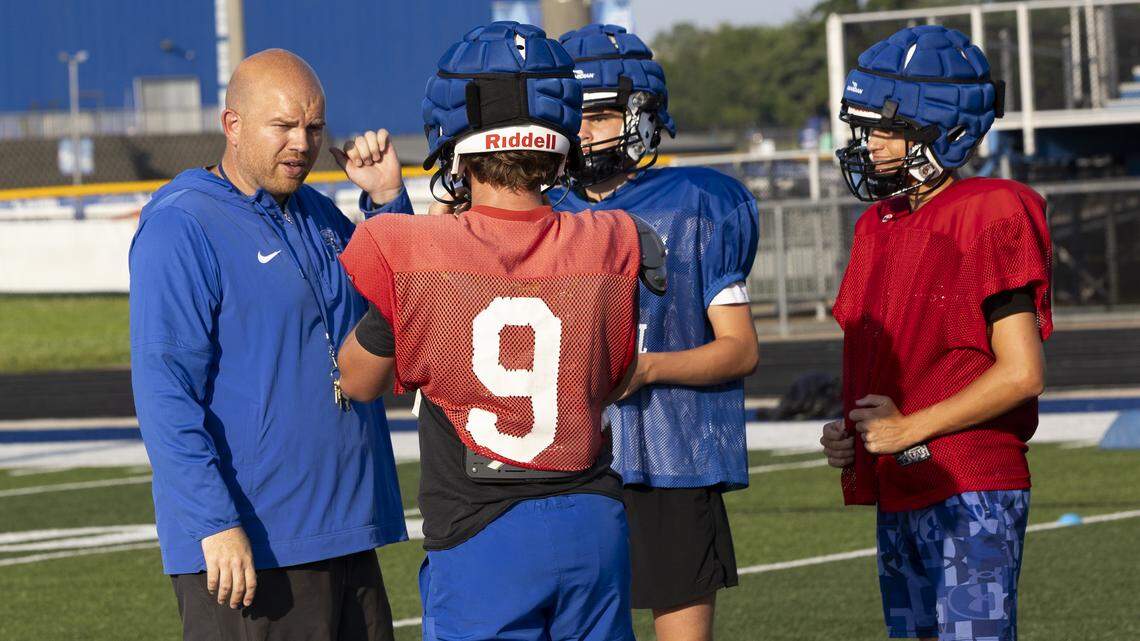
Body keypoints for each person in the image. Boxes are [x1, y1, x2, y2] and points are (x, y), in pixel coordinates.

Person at [334, 21, 664, 641]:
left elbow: (358, 380)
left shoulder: (421, 250)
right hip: (593, 518)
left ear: (455, 137)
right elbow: (617, 378)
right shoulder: (610, 237)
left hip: (483, 528)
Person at [129, 49, 409, 641]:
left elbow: (391, 323)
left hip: (347, 529)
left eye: (313, 127)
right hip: (255, 544)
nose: (301, 143)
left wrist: (387, 204)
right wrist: (213, 522)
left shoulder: (321, 216)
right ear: (232, 125)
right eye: (282, 126)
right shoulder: (182, 225)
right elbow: (164, 391)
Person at [819, 26, 1052, 641]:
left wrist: (909, 427)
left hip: (968, 485)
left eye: (888, 130)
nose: (871, 146)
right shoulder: (880, 222)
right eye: (866, 128)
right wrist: (855, 430)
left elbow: (1023, 371)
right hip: (902, 483)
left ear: (941, 131)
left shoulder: (993, 210)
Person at [547, 24, 760, 641]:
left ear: (641, 115)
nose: (581, 132)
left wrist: (647, 369)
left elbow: (740, 348)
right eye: (571, 117)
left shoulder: (698, 201)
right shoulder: (546, 208)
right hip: (571, 460)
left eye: (599, 115)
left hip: (674, 454)